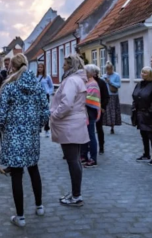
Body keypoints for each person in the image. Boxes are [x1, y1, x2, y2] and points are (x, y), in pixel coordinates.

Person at [0, 54, 49, 227]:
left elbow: (1, 112)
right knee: (34, 168)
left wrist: (4, 126)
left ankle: (20, 216)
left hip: (13, 135)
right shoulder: (37, 85)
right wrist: (38, 126)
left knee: (17, 174)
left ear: (12, 67)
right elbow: (45, 110)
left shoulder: (10, 86)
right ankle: (39, 206)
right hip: (32, 135)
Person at [50, 54, 89, 207]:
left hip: (69, 124)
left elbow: (66, 104)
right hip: (74, 123)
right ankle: (75, 193)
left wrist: (54, 114)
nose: (62, 67)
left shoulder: (72, 80)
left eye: (65, 64)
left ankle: (76, 196)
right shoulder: (77, 79)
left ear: (71, 66)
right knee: (75, 160)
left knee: (73, 160)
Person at [132, 67, 152, 165]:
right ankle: (146, 154)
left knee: (150, 135)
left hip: (149, 113)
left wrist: (149, 112)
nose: (143, 74)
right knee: (143, 134)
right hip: (139, 113)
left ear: (150, 74)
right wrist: (134, 107)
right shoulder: (139, 84)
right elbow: (135, 96)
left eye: (145, 73)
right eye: (142, 72)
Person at [81, 64, 101, 168]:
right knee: (85, 135)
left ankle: (93, 159)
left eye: (85, 71)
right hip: (85, 112)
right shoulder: (86, 82)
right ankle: (84, 155)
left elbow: (89, 99)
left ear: (90, 73)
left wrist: (79, 99)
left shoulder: (92, 84)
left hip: (90, 113)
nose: (84, 73)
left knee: (91, 135)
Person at [93, 67, 110, 154]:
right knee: (89, 129)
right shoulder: (87, 82)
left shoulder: (101, 83)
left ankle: (101, 146)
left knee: (99, 128)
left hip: (99, 108)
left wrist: (103, 107)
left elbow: (106, 96)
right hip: (89, 109)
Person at [101, 62, 121, 134]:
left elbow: (118, 85)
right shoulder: (103, 76)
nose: (108, 71)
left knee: (112, 110)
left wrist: (110, 82)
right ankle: (105, 124)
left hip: (113, 96)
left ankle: (112, 126)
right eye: (107, 69)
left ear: (112, 69)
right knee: (106, 111)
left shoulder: (116, 75)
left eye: (110, 69)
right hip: (106, 95)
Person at [36, 62, 54, 138]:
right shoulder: (35, 77)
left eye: (41, 67)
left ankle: (46, 129)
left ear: (43, 68)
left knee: (46, 112)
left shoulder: (47, 77)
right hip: (37, 96)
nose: (40, 68)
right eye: (38, 67)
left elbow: (51, 86)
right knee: (38, 113)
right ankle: (38, 129)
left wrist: (48, 92)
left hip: (45, 96)